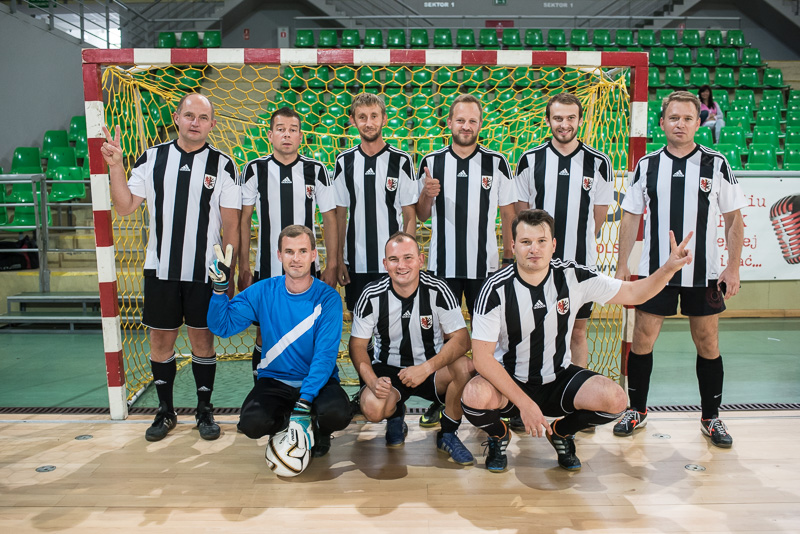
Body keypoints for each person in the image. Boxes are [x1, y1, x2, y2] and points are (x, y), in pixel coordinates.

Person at [461, 209, 695, 472]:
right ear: (513, 246)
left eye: (541, 241)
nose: (534, 249)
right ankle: (499, 436)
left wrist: (668, 269)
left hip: (557, 379)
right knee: (474, 395)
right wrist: (525, 405)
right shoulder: (494, 288)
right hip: (510, 382)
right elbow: (482, 358)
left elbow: (634, 294)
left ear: (553, 245)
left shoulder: (574, 276)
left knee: (615, 400)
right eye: (526, 242)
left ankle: (560, 432)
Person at [101, 93, 241, 442]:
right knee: (161, 342)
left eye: (203, 117)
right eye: (189, 115)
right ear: (177, 118)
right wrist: (116, 165)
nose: (196, 122)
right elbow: (125, 206)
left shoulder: (223, 164)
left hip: (205, 272)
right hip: (160, 269)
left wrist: (229, 272)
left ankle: (204, 412)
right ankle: (165, 412)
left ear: (212, 124)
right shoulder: (152, 158)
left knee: (202, 342)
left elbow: (232, 226)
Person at [614, 90, 745, 448]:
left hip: (702, 274)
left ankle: (711, 418)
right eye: (673, 117)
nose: (680, 124)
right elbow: (631, 215)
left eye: (688, 118)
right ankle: (636, 410)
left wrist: (732, 267)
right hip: (656, 273)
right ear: (662, 122)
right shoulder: (647, 165)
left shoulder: (716, 163)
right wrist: (623, 263)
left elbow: (735, 220)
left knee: (707, 342)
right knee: (642, 340)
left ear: (698, 123)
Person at [416, 93, 517, 428]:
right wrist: (425, 196)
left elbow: (508, 214)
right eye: (460, 120)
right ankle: (443, 400)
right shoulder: (432, 160)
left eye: (472, 120)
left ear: (480, 124)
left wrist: (507, 259)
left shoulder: (497, 162)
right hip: (442, 268)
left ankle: (494, 400)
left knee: (488, 338)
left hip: (485, 269)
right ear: (449, 123)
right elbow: (421, 214)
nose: (466, 126)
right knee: (445, 341)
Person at [207, 225, 352, 458]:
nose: (296, 259)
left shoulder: (328, 299)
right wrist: (219, 290)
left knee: (338, 413)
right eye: (289, 252)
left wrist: (304, 402)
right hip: (275, 380)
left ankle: (319, 430)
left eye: (303, 251)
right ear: (279, 255)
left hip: (317, 381)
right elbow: (221, 327)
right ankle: (287, 427)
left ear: (314, 255)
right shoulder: (263, 291)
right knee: (251, 424)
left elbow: (324, 357)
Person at [349, 232, 474, 464]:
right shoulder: (371, 295)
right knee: (372, 408)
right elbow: (356, 345)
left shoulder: (439, 290)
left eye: (408, 258)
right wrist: (372, 381)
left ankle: (448, 433)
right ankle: (395, 415)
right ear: (385, 263)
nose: (402, 265)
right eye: (394, 259)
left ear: (420, 260)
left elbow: (462, 339)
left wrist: (426, 368)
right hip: (389, 370)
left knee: (465, 367)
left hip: (431, 369)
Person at [238, 107, 339, 383]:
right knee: (263, 332)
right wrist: (243, 266)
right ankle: (263, 388)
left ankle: (308, 390)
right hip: (268, 269)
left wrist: (332, 263)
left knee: (310, 328)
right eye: (281, 129)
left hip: (307, 269)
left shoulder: (316, 170)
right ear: (270, 134)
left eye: (293, 129)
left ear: (300, 136)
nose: (287, 134)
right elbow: (244, 219)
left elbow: (330, 217)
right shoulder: (254, 169)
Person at [515, 92, 615, 370]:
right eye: (558, 118)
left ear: (580, 120)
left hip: (580, 266)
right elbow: (522, 215)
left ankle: (576, 400)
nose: (564, 124)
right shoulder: (530, 159)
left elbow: (597, 219)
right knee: (532, 332)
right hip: (536, 265)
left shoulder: (599, 162)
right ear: (548, 120)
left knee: (577, 333)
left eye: (571, 118)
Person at [334, 93, 418, 313]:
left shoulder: (401, 160)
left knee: (394, 325)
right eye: (362, 117)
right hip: (355, 262)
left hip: (393, 262)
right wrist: (338, 259)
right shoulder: (344, 161)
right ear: (352, 120)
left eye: (374, 116)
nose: (368, 123)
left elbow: (410, 216)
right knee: (359, 326)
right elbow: (340, 216)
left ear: (384, 118)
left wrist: (408, 259)